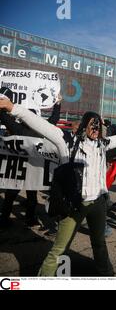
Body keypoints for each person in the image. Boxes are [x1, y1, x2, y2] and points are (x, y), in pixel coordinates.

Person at [0, 97, 116, 276]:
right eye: (92, 124)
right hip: (75, 205)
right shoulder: (66, 142)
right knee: (59, 249)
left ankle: (106, 275)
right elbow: (39, 124)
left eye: (98, 125)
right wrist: (12, 107)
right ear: (84, 126)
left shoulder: (102, 144)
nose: (96, 129)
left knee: (99, 244)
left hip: (98, 203)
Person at [0, 94, 62, 229]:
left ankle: (4, 219)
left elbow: (4, 117)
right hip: (33, 169)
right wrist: (57, 103)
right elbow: (54, 119)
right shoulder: (42, 131)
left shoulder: (17, 129)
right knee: (32, 195)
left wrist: (4, 103)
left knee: (10, 195)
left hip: (18, 168)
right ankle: (30, 218)